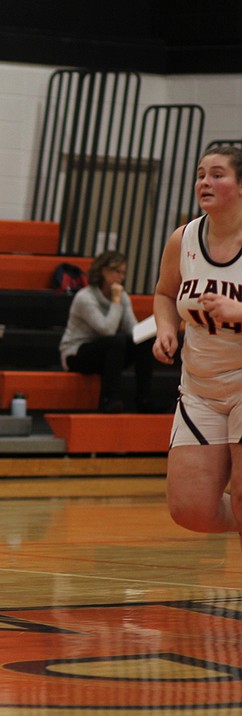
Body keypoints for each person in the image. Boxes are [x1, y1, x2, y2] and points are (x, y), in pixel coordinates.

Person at [153, 145, 242, 548]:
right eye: (201, 174)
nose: (205, 182)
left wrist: (237, 310)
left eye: (218, 174)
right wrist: (165, 329)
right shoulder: (183, 237)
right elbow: (165, 294)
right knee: (190, 509)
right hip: (200, 389)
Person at [59, 251, 156, 413]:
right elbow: (107, 329)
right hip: (77, 354)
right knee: (116, 340)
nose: (121, 277)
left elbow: (133, 330)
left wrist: (153, 327)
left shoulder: (122, 297)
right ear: (103, 271)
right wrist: (116, 300)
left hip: (108, 353)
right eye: (117, 272)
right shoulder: (85, 297)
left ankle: (143, 401)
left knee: (144, 341)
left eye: (123, 273)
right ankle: (111, 399)